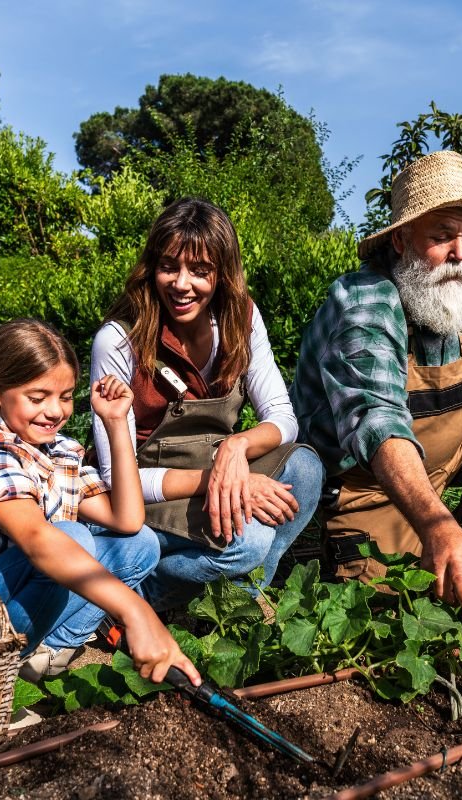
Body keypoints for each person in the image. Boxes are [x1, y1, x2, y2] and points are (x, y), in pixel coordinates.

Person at [291, 150, 462, 610]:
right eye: (442, 237)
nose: (459, 254)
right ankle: (434, 533)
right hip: (372, 486)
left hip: (445, 458)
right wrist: (435, 524)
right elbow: (376, 421)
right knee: (389, 609)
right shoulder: (366, 301)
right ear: (401, 240)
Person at [0, 319, 199, 687]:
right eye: (37, 398)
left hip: (1, 609)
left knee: (140, 545)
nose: (54, 411)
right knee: (71, 537)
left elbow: (128, 521)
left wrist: (118, 423)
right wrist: (135, 612)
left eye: (66, 396)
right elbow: (39, 540)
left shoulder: (60, 453)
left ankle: (39, 660)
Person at [91, 198, 323, 611]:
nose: (182, 284)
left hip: (216, 463)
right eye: (169, 266)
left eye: (200, 271)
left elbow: (283, 418)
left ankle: (236, 607)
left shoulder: (241, 318)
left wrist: (236, 449)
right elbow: (114, 477)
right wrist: (222, 480)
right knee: (248, 541)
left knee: (306, 470)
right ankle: (145, 599)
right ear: (151, 267)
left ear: (222, 273)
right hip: (147, 487)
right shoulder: (119, 338)